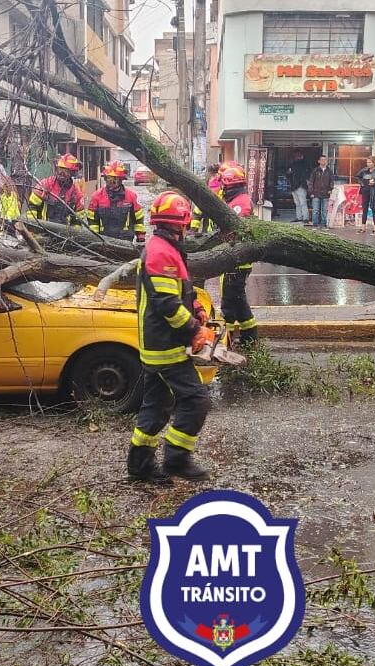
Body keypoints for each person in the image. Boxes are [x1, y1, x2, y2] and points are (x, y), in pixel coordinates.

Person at [128, 191, 215, 484]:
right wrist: (194, 330)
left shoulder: (164, 248)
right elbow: (167, 305)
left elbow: (177, 291)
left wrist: (197, 308)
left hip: (157, 344)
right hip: (165, 346)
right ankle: (176, 458)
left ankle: (139, 466)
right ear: (180, 224)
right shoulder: (162, 253)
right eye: (185, 225)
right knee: (196, 400)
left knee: (156, 407)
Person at [216, 164, 258, 345]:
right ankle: (250, 337)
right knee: (239, 300)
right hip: (235, 260)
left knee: (228, 303)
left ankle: (225, 341)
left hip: (237, 262)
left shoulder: (240, 204)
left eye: (224, 185)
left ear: (230, 185)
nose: (222, 188)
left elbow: (234, 232)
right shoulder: (237, 199)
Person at [87, 160, 145, 242]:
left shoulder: (131, 196)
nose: (111, 181)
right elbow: (92, 221)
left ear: (121, 179)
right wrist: (95, 239)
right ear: (105, 178)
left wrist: (141, 237)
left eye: (115, 179)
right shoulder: (97, 197)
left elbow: (138, 219)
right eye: (109, 178)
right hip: (104, 240)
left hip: (125, 241)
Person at [27, 153, 84, 226]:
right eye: (59, 169)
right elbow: (32, 206)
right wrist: (32, 225)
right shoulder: (46, 184)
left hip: (65, 231)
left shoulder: (76, 193)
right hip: (44, 228)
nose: (61, 173)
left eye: (65, 171)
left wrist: (74, 232)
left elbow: (78, 221)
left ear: (72, 173)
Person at [354, 157, 375, 236]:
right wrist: (362, 184)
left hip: (374, 192)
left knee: (374, 209)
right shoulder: (364, 170)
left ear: (374, 162)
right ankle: (363, 228)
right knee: (364, 209)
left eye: (370, 162)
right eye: (367, 162)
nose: (368, 164)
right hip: (365, 191)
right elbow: (357, 177)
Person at [307, 155, 335, 228]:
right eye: (322, 160)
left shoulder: (329, 171)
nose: (323, 161)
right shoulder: (315, 170)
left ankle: (323, 224)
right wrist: (311, 192)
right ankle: (315, 224)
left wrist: (330, 189)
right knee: (315, 210)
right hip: (316, 193)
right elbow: (311, 182)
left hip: (326, 193)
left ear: (327, 161)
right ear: (319, 161)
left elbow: (332, 181)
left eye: (325, 160)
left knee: (324, 210)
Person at [287, 151, 310, 222]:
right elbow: (288, 174)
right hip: (295, 186)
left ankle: (305, 218)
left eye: (298, 155)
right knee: (298, 203)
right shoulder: (294, 164)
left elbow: (306, 175)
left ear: (301, 156)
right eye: (296, 156)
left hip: (300, 186)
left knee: (302, 203)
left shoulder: (304, 164)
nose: (296, 157)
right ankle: (300, 217)